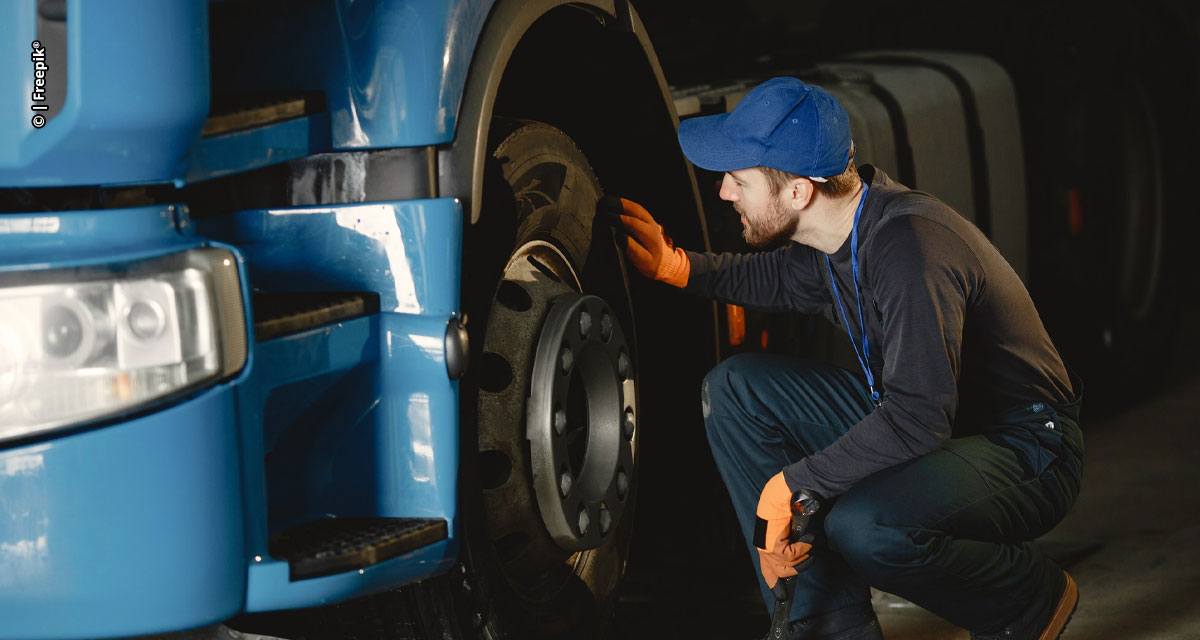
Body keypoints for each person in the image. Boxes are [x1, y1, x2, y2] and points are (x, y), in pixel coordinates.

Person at [609, 77, 1084, 640]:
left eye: (739, 180)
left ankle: (1025, 601)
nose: (724, 193)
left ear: (798, 193)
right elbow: (775, 278)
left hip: (1026, 447)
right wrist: (678, 266)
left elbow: (919, 417)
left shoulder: (910, 250)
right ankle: (826, 627)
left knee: (868, 525)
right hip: (939, 422)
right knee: (736, 389)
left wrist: (791, 484)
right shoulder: (839, 238)